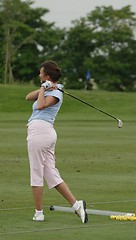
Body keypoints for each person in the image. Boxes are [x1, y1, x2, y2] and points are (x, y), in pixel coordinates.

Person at [26, 60, 88, 223]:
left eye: (41, 73)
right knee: (50, 174)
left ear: (46, 75)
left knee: (36, 173)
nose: (39, 75)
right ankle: (76, 205)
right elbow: (28, 97)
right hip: (43, 133)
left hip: (40, 132)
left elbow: (39, 106)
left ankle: (38, 213)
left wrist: (45, 88)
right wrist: (45, 87)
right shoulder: (49, 90)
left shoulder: (56, 94)